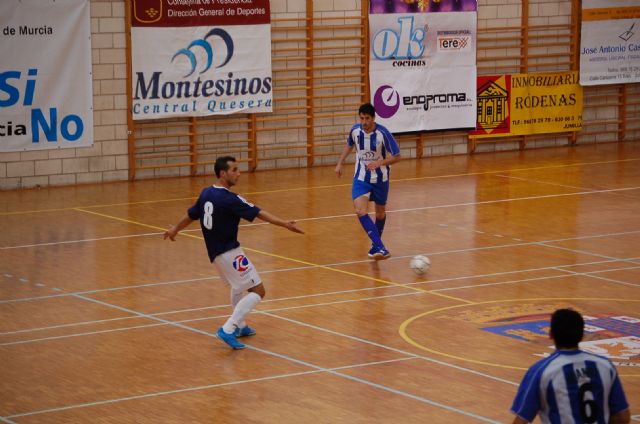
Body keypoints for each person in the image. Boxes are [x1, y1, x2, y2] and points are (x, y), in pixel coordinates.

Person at [164, 156, 304, 350]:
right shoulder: (229, 199)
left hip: (216, 255)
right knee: (258, 291)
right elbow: (258, 212)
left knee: (238, 287)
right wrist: (285, 224)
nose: (239, 173)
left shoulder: (206, 193)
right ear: (223, 174)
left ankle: (241, 326)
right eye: (235, 169)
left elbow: (190, 215)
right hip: (230, 253)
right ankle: (228, 328)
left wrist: (175, 230)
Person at [511, 308, 631, 424]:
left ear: (551, 334)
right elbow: (622, 416)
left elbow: (522, 418)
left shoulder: (541, 371)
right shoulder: (605, 366)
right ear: (582, 335)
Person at [335, 102, 401, 259]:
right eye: (361, 118)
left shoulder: (383, 133)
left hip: (380, 179)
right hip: (361, 177)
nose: (364, 122)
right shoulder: (355, 131)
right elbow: (349, 145)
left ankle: (374, 247)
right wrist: (340, 163)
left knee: (380, 213)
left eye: (367, 119)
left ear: (373, 118)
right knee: (360, 210)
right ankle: (381, 247)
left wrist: (380, 163)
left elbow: (397, 156)